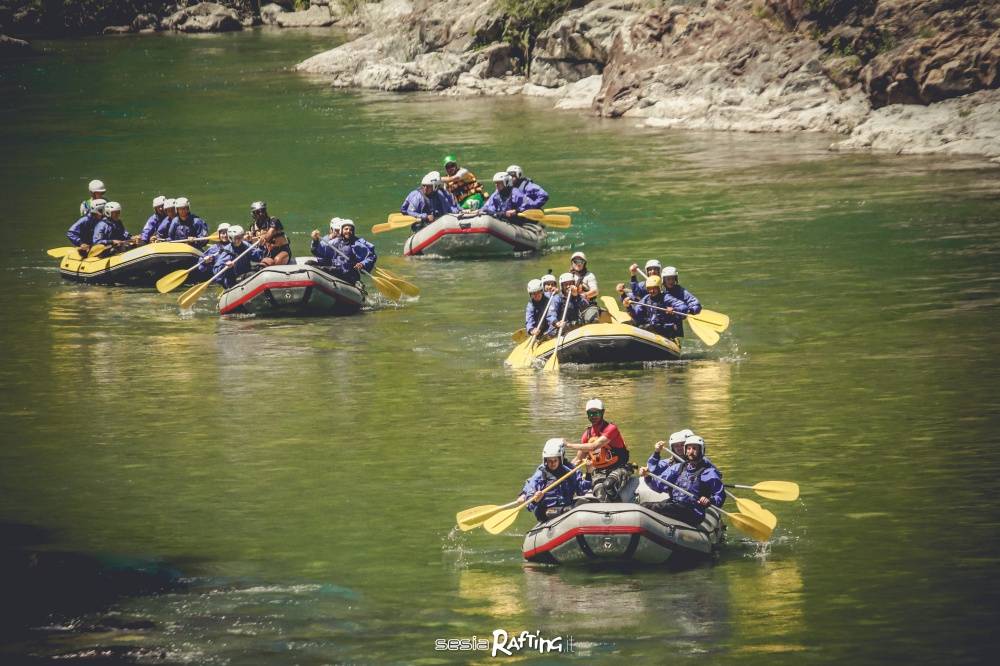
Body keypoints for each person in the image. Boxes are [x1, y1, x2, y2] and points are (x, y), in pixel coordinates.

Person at [639, 434, 724, 525]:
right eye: (688, 448)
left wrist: (710, 500)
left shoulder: (709, 473)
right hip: (675, 504)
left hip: (694, 511)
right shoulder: (677, 468)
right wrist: (647, 476)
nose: (691, 452)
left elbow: (720, 496)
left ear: (701, 450)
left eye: (695, 448)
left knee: (652, 508)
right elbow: (657, 485)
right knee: (644, 506)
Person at [565, 399, 631, 502]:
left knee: (608, 485)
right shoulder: (586, 435)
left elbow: (594, 446)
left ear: (602, 413)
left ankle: (620, 507)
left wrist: (568, 445)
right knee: (600, 492)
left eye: (596, 413)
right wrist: (564, 472)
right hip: (599, 471)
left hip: (619, 468)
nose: (593, 416)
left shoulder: (611, 429)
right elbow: (578, 458)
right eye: (590, 413)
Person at [517, 438, 589, 523]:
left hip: (565, 506)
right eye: (549, 461)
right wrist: (535, 499)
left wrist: (589, 472)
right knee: (569, 509)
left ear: (560, 458)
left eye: (555, 460)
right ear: (545, 460)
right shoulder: (540, 474)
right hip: (546, 510)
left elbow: (582, 491)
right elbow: (530, 498)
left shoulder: (570, 471)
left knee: (584, 503)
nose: (552, 463)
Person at [623, 275, 688, 338]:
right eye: (649, 289)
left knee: (650, 326)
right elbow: (636, 315)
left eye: (654, 288)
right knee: (632, 323)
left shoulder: (666, 298)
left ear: (659, 288)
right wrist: (628, 307)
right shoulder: (646, 299)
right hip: (652, 327)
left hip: (665, 329)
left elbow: (683, 306)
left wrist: (675, 309)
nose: (652, 291)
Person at [544, 272, 589, 337]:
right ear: (561, 286)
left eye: (570, 284)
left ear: (573, 284)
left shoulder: (578, 296)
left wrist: (576, 296)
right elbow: (551, 314)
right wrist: (556, 322)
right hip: (560, 328)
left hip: (574, 325)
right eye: (565, 284)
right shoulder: (557, 298)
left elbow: (586, 307)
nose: (568, 286)